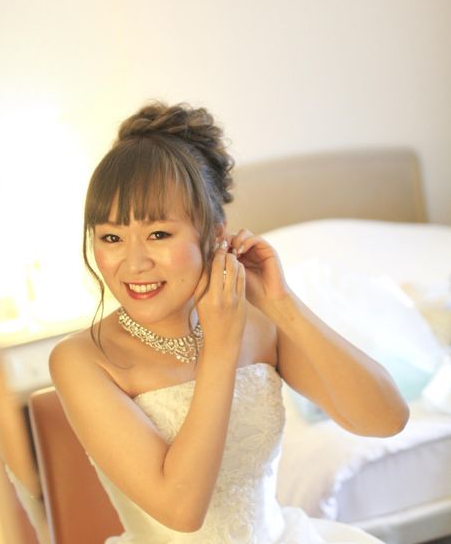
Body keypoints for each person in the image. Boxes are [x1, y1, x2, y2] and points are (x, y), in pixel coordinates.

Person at [49, 101, 409, 543]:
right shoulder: (82, 359)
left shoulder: (260, 323)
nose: (134, 262)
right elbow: (181, 510)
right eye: (111, 237)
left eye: (158, 234)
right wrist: (220, 348)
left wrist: (282, 304)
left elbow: (387, 420)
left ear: (215, 233)